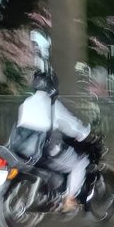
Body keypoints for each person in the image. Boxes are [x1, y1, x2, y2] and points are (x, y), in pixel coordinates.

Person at [17, 70, 92, 211]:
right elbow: (73, 127)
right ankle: (69, 199)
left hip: (23, 149)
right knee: (81, 163)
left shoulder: (26, 103)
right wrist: (85, 133)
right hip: (44, 151)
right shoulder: (53, 105)